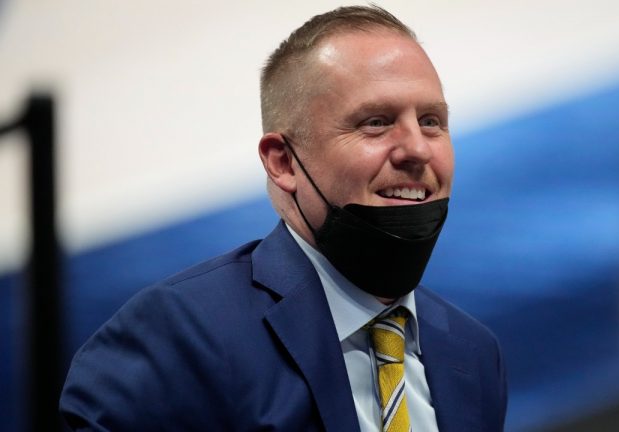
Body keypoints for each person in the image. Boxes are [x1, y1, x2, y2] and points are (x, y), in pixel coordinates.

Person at [59, 5, 507, 431]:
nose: (417, 149)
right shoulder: (177, 336)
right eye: (375, 122)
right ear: (284, 163)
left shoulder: (472, 352)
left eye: (431, 121)